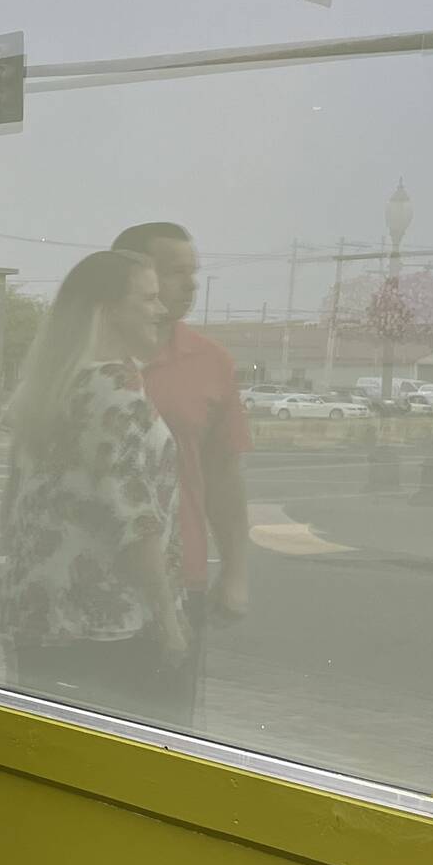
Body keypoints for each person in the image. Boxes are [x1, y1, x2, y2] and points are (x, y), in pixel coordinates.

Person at [0, 249, 186, 718]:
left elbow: (13, 508)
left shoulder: (54, 386)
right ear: (109, 309)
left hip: (38, 615)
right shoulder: (115, 387)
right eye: (149, 298)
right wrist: (169, 622)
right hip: (106, 627)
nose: (162, 310)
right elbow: (133, 517)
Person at [111, 222, 251, 727]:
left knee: (163, 735)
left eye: (193, 272)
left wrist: (234, 571)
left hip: (177, 579)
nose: (190, 285)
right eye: (174, 272)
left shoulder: (212, 363)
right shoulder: (85, 356)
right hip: (87, 581)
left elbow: (224, 479)